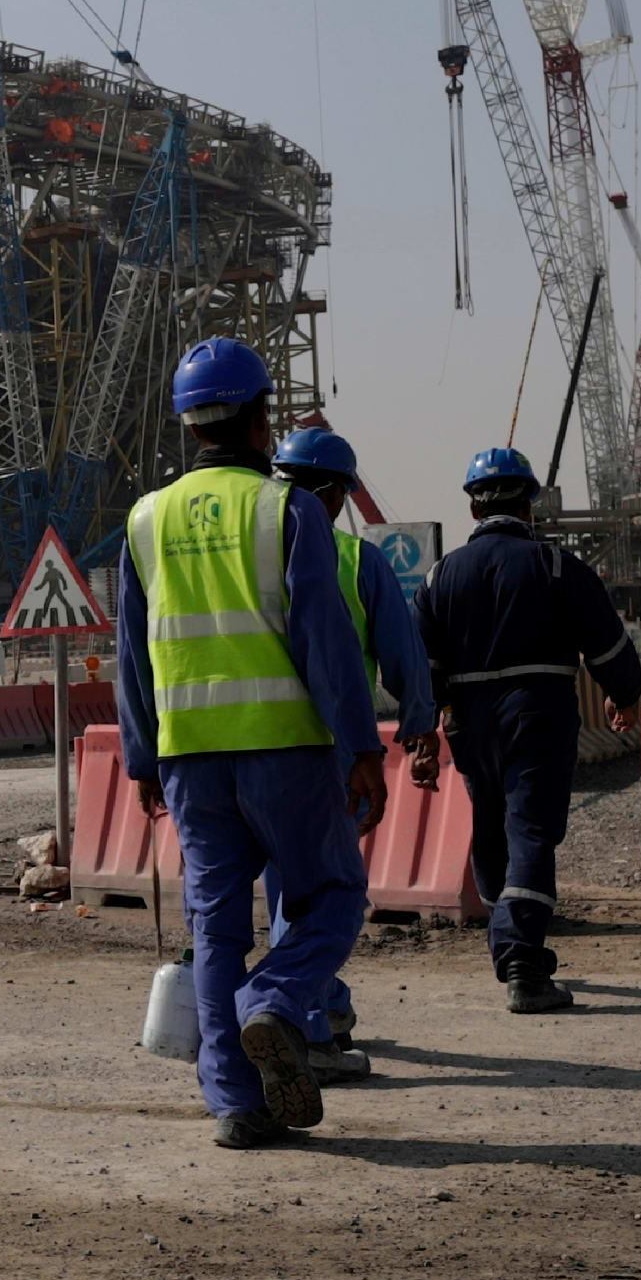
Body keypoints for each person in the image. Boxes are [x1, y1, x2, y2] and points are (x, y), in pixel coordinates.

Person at [114, 342, 389, 1150]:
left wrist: (140, 758)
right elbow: (326, 643)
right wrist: (361, 746)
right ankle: (273, 1001)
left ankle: (237, 1104)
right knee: (332, 896)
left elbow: (132, 653)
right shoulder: (287, 510)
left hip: (189, 758)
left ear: (190, 423)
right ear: (262, 418)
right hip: (287, 750)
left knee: (218, 928)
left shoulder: (145, 519)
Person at [416, 447, 641, 1012]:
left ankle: (513, 935)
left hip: (469, 723)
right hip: (537, 716)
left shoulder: (440, 576)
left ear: (473, 509)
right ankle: (522, 961)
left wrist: (424, 730)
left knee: (492, 829)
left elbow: (421, 667)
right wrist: (624, 695)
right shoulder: (557, 566)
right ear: (529, 505)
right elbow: (609, 646)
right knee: (531, 833)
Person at [265, 426, 442, 1081]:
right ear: (338, 495)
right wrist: (420, 727)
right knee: (320, 894)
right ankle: (306, 1028)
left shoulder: (243, 552)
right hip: (328, 750)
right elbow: (403, 656)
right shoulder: (354, 559)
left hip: (239, 748)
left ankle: (326, 1004)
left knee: (282, 891)